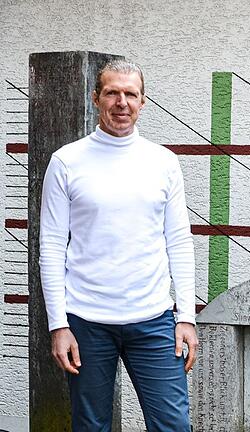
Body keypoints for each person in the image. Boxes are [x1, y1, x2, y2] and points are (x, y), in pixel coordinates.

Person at [39, 59, 198, 431]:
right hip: (86, 323)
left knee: (172, 425)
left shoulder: (163, 162)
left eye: (131, 94)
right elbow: (50, 246)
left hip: (154, 319)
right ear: (96, 98)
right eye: (112, 92)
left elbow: (179, 241)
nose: (121, 102)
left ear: (143, 102)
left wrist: (186, 316)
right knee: (91, 426)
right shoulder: (66, 162)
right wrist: (58, 325)